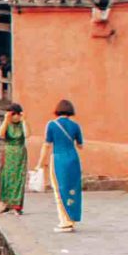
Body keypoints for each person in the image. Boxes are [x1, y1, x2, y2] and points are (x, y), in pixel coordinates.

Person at [37, 98, 84, 233]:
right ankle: (72, 219)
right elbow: (80, 145)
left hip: (58, 158)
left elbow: (47, 145)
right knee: (73, 188)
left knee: (59, 189)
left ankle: (64, 222)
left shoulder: (52, 125)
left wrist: (40, 163)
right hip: (73, 158)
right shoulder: (76, 126)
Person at [0, 102, 28, 214]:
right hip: (9, 153)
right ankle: (7, 203)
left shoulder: (22, 124)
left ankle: (17, 205)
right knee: (7, 177)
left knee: (19, 178)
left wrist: (24, 121)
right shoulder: (7, 124)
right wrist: (6, 120)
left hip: (19, 152)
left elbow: (27, 134)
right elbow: (0, 133)